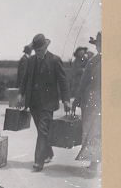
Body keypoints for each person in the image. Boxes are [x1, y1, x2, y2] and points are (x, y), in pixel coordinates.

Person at [17, 34, 71, 172]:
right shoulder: (31, 61)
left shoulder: (54, 60)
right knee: (42, 130)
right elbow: (25, 79)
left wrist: (66, 100)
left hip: (48, 102)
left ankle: (38, 162)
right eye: (36, 51)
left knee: (42, 130)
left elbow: (63, 81)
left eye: (40, 51)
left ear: (46, 48)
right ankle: (48, 152)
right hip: (33, 102)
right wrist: (20, 93)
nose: (38, 53)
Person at [72, 32, 102, 172]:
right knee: (93, 131)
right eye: (98, 43)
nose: (100, 45)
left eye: (103, 43)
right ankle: (95, 162)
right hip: (94, 100)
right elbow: (83, 83)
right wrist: (76, 100)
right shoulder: (92, 62)